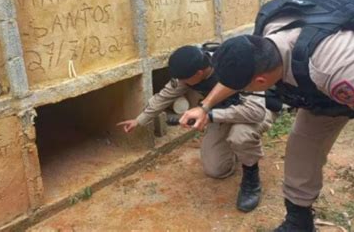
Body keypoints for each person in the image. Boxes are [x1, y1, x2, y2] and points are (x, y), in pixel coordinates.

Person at [179, 0, 354, 231]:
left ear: (261, 83)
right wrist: (205, 106)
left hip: (342, 68)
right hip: (321, 82)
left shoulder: (334, 69)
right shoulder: (266, 36)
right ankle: (299, 222)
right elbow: (239, 73)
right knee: (301, 146)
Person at [117, 45, 276, 213]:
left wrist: (210, 116)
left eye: (185, 79)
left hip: (258, 111)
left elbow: (255, 112)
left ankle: (251, 177)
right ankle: (236, 150)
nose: (182, 83)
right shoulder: (192, 71)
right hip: (222, 113)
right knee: (215, 169)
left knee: (240, 136)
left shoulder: (235, 67)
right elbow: (165, 95)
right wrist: (139, 120)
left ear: (199, 73)